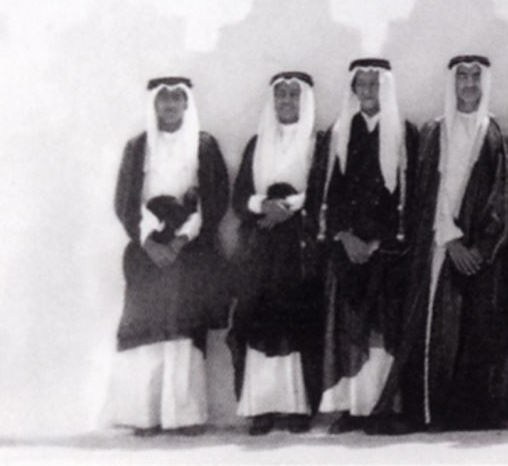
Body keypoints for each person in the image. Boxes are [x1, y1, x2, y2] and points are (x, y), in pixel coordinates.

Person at [374, 55, 508, 434]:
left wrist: (480, 249)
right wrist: (451, 238)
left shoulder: (493, 133)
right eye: (463, 77)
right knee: (434, 329)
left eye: (475, 77)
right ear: (452, 83)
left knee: (475, 329)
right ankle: (428, 411)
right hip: (439, 245)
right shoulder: (434, 132)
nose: (469, 84)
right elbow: (425, 193)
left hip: (480, 256)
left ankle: (467, 414)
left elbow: (500, 198)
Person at [106, 76, 230, 436]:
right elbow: (125, 200)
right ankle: (144, 416)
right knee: (146, 332)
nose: (171, 105)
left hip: (190, 253)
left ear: (187, 103)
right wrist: (149, 243)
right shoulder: (137, 147)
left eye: (178, 98)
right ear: (154, 105)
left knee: (184, 333)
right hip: (147, 253)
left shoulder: (204, 145)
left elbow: (215, 198)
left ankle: (184, 416)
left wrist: (180, 242)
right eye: (164, 99)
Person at [228, 71, 331, 435]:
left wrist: (288, 208)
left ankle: (298, 407)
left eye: (293, 96)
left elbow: (322, 190)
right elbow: (239, 197)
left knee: (297, 323)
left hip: (299, 250)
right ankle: (262, 407)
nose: (286, 102)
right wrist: (263, 207)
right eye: (281, 96)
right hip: (260, 249)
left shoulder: (319, 143)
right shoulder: (257, 144)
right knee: (259, 322)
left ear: (304, 101)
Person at [317, 58, 417, 434]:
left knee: (383, 333)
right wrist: (344, 236)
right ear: (353, 89)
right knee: (350, 331)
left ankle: (384, 406)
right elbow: (329, 192)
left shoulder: (404, 133)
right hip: (347, 250)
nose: (367, 92)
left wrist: (376, 242)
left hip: (388, 252)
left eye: (374, 85)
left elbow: (410, 196)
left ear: (385, 88)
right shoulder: (339, 132)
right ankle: (352, 409)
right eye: (361, 85)